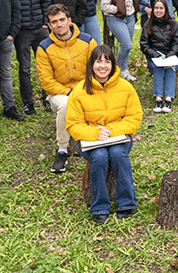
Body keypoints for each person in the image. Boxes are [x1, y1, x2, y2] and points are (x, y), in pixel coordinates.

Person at [66, 45, 143, 224]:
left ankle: (127, 203)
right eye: (98, 61)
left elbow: (134, 117)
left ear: (113, 64)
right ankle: (100, 206)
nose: (103, 66)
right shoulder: (79, 90)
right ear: (91, 64)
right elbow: (73, 124)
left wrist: (111, 132)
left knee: (117, 154)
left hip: (119, 138)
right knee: (100, 157)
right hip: (90, 142)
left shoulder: (125, 87)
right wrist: (95, 133)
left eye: (107, 61)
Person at [36, 4, 97, 173]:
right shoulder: (44, 47)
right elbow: (46, 81)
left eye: (62, 20)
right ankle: (62, 150)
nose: (59, 24)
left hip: (85, 88)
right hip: (59, 93)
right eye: (54, 22)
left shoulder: (87, 41)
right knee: (66, 104)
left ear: (69, 20)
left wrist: (84, 89)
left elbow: (98, 69)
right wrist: (70, 93)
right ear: (49, 26)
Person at [4, 0, 52, 115]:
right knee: (24, 68)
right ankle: (27, 102)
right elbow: (7, 3)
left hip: (40, 27)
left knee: (45, 65)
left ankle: (47, 98)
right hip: (22, 30)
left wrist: (46, 22)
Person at [139, 0, 178, 113]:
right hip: (154, 57)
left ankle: (168, 100)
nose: (158, 11)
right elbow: (144, 44)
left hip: (170, 57)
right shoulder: (148, 24)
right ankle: (158, 99)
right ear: (153, 10)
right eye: (156, 8)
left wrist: (169, 57)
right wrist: (156, 56)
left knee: (170, 68)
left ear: (165, 10)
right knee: (158, 67)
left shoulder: (173, 24)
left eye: (161, 8)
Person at [100, 0, 139, 82]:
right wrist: (118, 9)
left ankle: (124, 70)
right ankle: (113, 69)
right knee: (126, 44)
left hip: (130, 17)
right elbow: (104, 6)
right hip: (116, 18)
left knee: (126, 46)